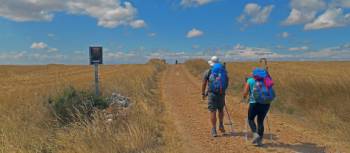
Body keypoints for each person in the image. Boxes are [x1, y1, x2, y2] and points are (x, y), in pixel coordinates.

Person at [202, 56, 229, 137]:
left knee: (213, 111)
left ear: (211, 63)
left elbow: (204, 83)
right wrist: (223, 90)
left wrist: (203, 93)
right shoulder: (224, 71)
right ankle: (221, 125)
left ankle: (214, 129)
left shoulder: (208, 71)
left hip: (212, 93)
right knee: (221, 109)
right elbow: (227, 81)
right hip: (221, 93)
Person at [242, 69, 271, 146]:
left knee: (250, 119)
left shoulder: (250, 80)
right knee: (260, 121)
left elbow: (245, 93)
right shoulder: (266, 80)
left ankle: (255, 134)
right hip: (266, 103)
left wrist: (244, 97)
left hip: (254, 103)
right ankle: (260, 140)